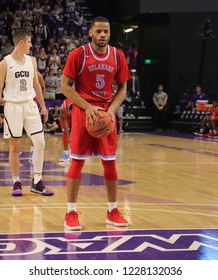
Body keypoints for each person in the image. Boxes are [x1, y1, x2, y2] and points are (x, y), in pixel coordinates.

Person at [61, 16, 130, 230]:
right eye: (98, 31)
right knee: (77, 161)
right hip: (84, 112)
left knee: (110, 162)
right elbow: (65, 86)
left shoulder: (118, 56)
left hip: (105, 113)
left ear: (110, 33)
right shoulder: (78, 54)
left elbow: (122, 89)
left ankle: (113, 210)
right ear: (91, 32)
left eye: (106, 32)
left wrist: (110, 111)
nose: (102, 35)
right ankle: (71, 212)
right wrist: (88, 107)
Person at [0, 29, 54, 197]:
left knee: (40, 142)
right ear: (21, 43)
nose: (31, 45)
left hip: (30, 105)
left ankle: (37, 181)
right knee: (14, 147)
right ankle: (16, 181)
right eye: (29, 42)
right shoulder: (5, 63)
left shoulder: (32, 61)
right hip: (12, 106)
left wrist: (42, 106)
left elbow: (36, 84)